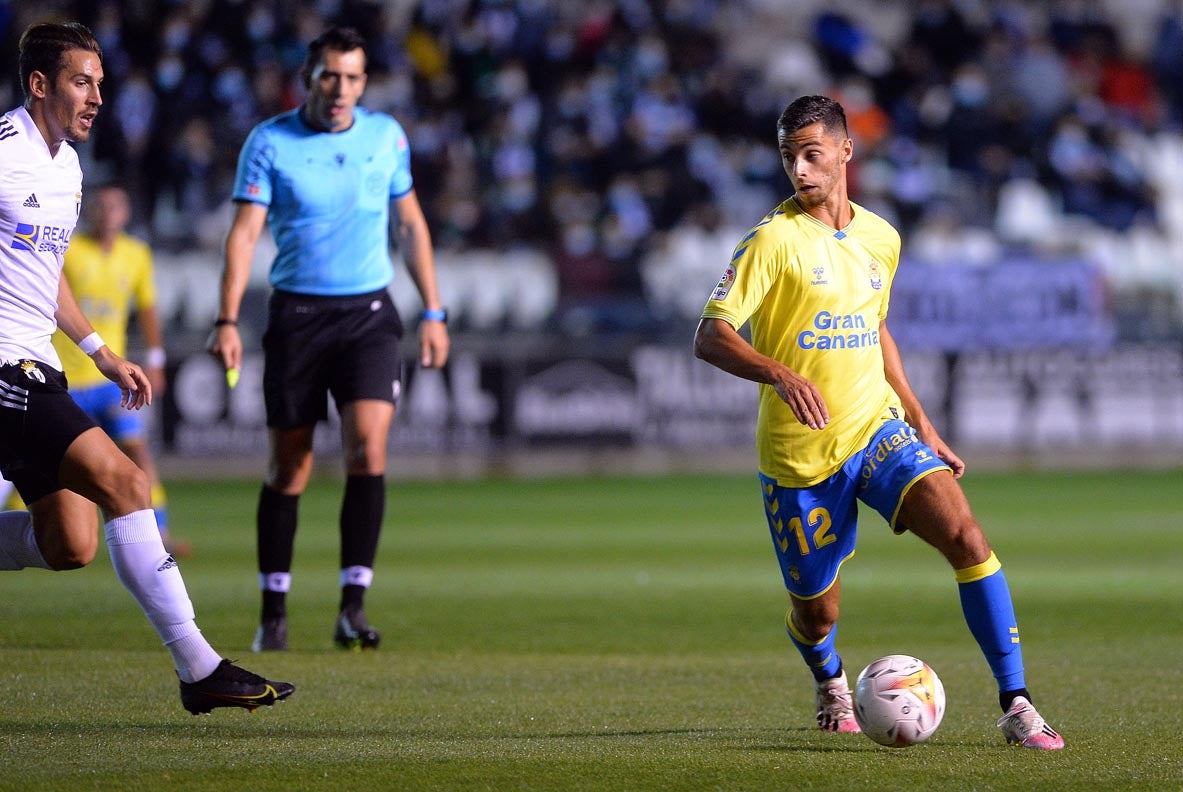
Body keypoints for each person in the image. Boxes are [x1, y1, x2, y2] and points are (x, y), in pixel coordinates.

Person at [693, 95, 1064, 749]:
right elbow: (710, 334)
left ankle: (1016, 704)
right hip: (799, 456)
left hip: (875, 428)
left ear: (844, 151)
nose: (799, 170)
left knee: (967, 538)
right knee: (817, 613)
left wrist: (921, 419)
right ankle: (828, 676)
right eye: (788, 157)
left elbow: (875, 327)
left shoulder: (880, 238)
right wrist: (778, 372)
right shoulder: (770, 241)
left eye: (811, 154)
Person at [0, 21, 293, 715]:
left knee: (69, 542)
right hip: (4, 367)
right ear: (39, 85)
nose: (97, 96)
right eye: (81, 81)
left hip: (43, 363)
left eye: (100, 83)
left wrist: (100, 349)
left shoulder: (65, 164)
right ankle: (199, 668)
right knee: (129, 483)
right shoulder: (6, 152)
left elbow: (46, 280)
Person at [208, 26, 450, 653]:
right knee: (291, 466)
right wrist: (228, 319)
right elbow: (242, 237)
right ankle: (274, 611)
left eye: (352, 78)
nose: (340, 89)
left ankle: (352, 607)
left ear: (364, 83)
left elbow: (412, 225)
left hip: (369, 313)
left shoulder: (385, 137)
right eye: (329, 76)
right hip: (297, 317)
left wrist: (434, 311)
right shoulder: (270, 143)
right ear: (309, 78)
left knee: (368, 450)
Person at [46, 182, 189, 556]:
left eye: (116, 206)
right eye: (102, 205)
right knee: (45, 464)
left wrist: (155, 357)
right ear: (90, 211)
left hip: (109, 380)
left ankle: (159, 530)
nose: (108, 212)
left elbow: (147, 307)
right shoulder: (69, 251)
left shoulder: (136, 254)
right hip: (65, 378)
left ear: (126, 213)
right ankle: (32, 525)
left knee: (137, 450)